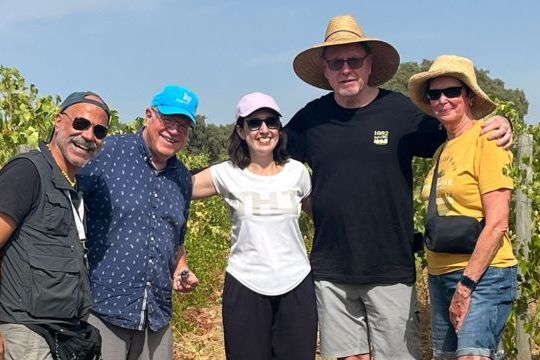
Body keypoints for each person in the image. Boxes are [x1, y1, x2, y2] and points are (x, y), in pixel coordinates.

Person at [285, 15, 514, 360]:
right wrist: (307, 199)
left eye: (354, 60)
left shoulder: (400, 112)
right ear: (326, 69)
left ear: (370, 64)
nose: (346, 69)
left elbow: (458, 130)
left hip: (390, 266)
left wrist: (501, 122)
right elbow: (269, 161)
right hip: (330, 268)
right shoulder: (310, 118)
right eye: (336, 63)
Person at [192, 92, 317, 360]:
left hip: (296, 283)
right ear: (240, 130)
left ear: (279, 129)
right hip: (245, 283)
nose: (264, 130)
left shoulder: (298, 172)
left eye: (271, 122)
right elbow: (178, 188)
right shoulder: (226, 173)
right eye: (254, 123)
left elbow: (322, 216)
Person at [77, 85, 199, 360]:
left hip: (156, 316)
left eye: (183, 125)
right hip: (103, 310)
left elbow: (176, 238)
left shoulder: (181, 177)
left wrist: (182, 268)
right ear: (149, 116)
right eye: (168, 120)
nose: (174, 130)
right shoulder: (106, 155)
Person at [408, 55, 517, 359]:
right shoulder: (442, 150)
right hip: (440, 274)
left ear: (469, 96)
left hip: (482, 274)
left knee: (472, 355)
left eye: (452, 91)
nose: (443, 100)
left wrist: (466, 284)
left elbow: (497, 222)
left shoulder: (488, 140)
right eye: (434, 94)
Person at [0, 91, 110, 359]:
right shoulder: (28, 171)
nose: (88, 136)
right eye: (81, 123)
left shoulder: (74, 185)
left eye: (99, 131)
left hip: (62, 335)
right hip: (26, 334)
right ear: (59, 121)